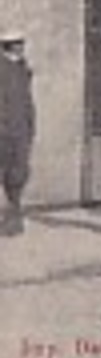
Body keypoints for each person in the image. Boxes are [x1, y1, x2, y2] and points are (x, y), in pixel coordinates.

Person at [0, 32, 34, 236]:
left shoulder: (22, 68)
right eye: (16, 44)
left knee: (19, 172)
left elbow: (26, 100)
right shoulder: (3, 69)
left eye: (21, 43)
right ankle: (12, 215)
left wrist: (30, 125)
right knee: (8, 172)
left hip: (20, 128)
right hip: (6, 130)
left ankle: (14, 215)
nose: (20, 48)